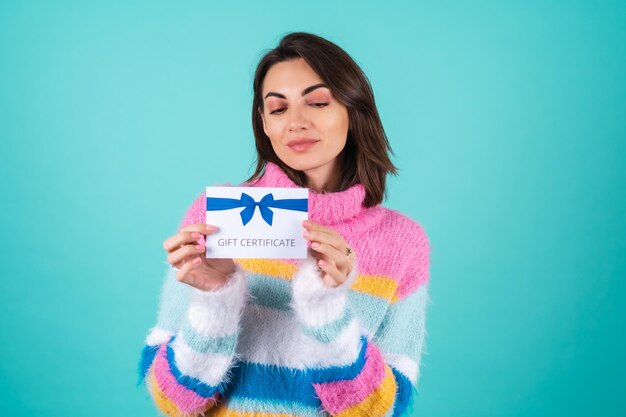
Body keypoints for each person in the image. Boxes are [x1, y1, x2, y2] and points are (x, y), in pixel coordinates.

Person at [138, 32, 431, 417]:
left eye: (318, 102)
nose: (295, 122)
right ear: (264, 122)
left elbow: (381, 410)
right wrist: (215, 297)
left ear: (353, 109)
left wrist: (325, 306)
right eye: (278, 109)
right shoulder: (215, 218)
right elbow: (174, 401)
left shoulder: (402, 243)